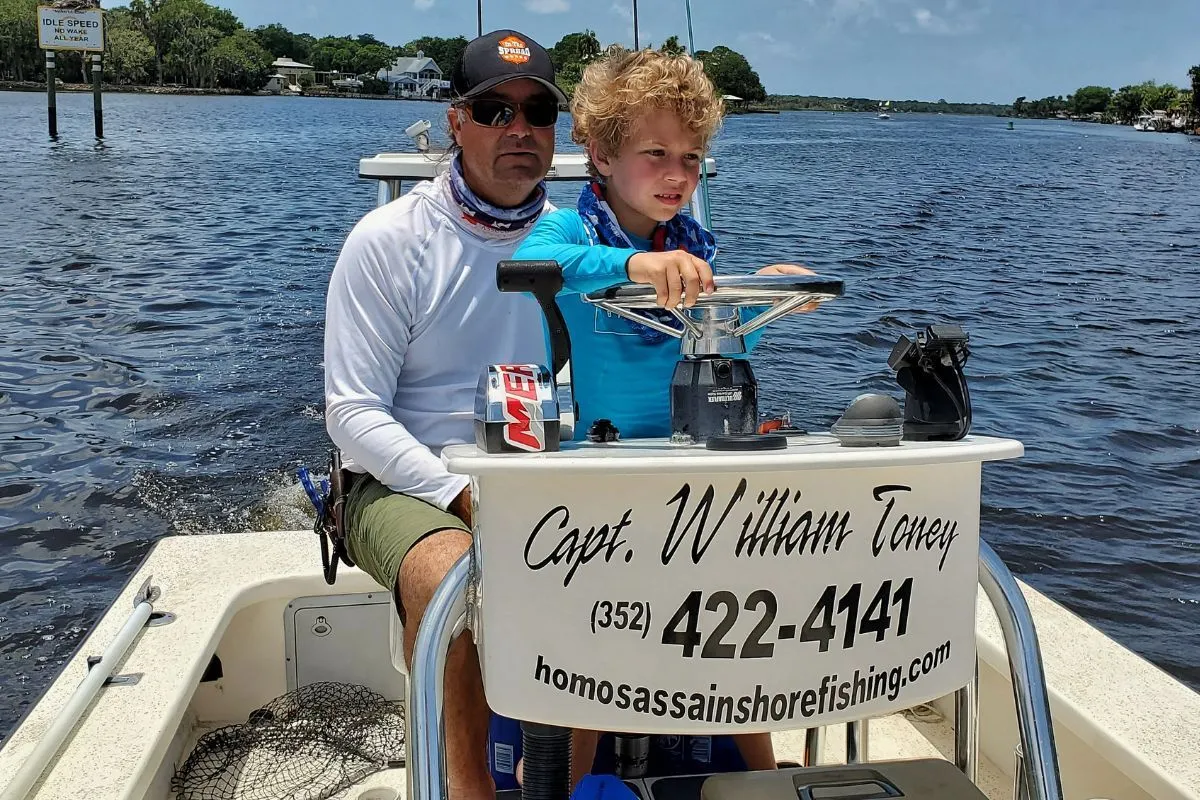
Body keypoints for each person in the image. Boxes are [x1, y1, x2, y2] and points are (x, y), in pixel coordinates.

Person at [512, 47, 817, 783]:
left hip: (703, 473)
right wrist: (635, 267)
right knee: (590, 653)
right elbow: (529, 258)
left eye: (690, 156)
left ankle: (765, 780)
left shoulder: (697, 253)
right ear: (603, 152)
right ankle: (566, 783)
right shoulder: (570, 234)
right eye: (655, 154)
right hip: (605, 486)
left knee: (744, 630)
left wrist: (774, 295)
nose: (678, 174)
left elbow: (726, 332)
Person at [322, 29, 567, 800]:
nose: (518, 129)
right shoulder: (390, 241)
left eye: (537, 111)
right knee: (449, 570)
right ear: (456, 121)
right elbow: (351, 414)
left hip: (538, 467)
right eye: (494, 109)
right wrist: (462, 494)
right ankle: (468, 789)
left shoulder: (581, 245)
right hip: (398, 482)